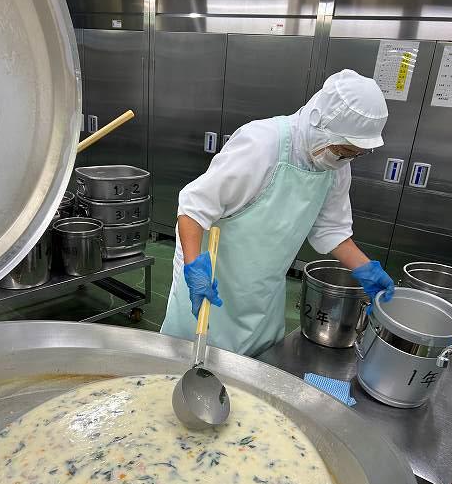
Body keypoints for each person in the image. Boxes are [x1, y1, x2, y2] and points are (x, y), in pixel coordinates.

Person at [161, 69, 395, 357]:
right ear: (319, 123)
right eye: (343, 150)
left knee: (257, 365)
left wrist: (366, 269)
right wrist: (194, 268)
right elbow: (193, 209)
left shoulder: (335, 167)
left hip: (263, 289)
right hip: (213, 281)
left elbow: (331, 230)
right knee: (189, 363)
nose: (345, 159)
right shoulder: (262, 144)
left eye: (354, 154)